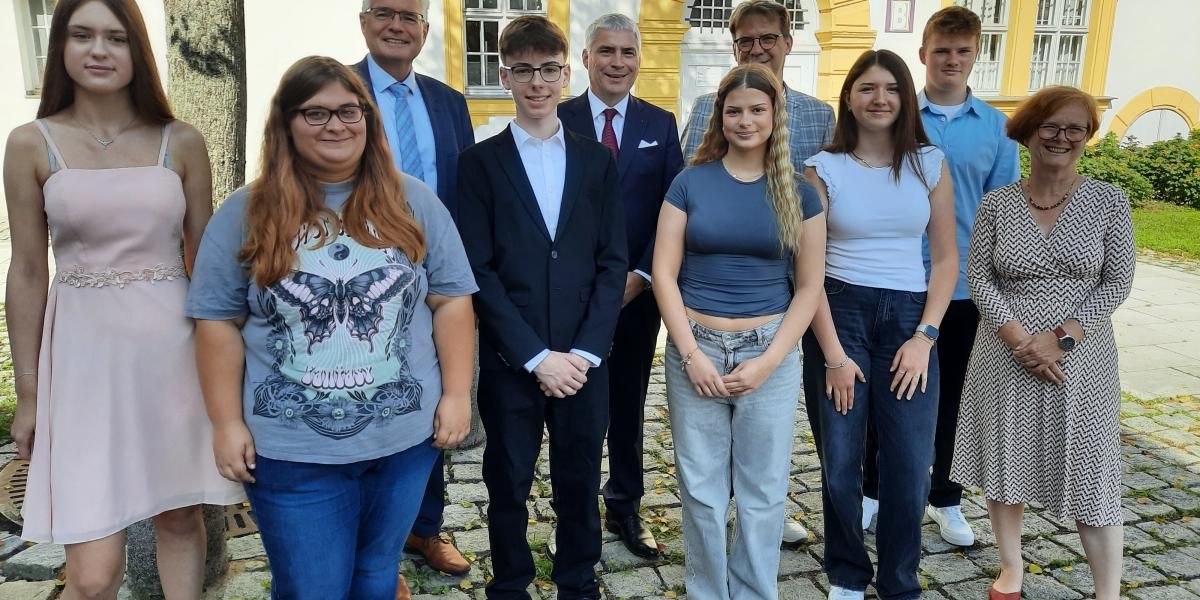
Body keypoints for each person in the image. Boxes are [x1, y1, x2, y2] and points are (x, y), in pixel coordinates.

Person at [186, 56, 477, 600]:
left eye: (348, 111)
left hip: (403, 443)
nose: (336, 125)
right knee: (312, 588)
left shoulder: (413, 201)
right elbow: (217, 322)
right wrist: (226, 423)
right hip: (293, 452)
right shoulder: (246, 214)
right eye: (315, 113)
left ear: (367, 118)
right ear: (286, 124)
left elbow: (451, 300)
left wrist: (458, 395)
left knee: (376, 577)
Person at [3, 0, 244, 597]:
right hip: (82, 361)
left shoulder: (180, 141)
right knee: (93, 573)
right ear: (60, 47)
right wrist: (29, 393)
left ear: (137, 49)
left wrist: (229, 369)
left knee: (180, 516)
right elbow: (28, 271)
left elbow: (206, 265)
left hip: (173, 354)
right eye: (82, 35)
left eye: (115, 37)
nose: (99, 50)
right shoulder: (30, 143)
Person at [457, 15, 626, 600]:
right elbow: (477, 269)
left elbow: (612, 262)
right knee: (507, 480)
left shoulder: (596, 161)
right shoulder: (479, 163)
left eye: (548, 70)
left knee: (579, 480)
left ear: (566, 73)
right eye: (524, 71)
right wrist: (533, 355)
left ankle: (578, 582)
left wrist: (585, 351)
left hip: (583, 360)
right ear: (504, 76)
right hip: (513, 359)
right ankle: (510, 584)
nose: (537, 82)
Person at [951, 86, 1134, 600]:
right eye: (1050, 126)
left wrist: (1061, 338)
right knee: (1006, 461)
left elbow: (1117, 281)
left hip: (1083, 359)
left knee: (1092, 473)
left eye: (1075, 128)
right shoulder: (997, 203)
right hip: (1003, 354)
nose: (1061, 137)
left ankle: (1108, 592)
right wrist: (1018, 340)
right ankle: (1011, 567)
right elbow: (979, 276)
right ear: (1028, 133)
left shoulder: (1109, 201)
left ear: (1088, 136)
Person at [653, 63, 826, 600]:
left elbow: (809, 287)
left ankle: (753, 592)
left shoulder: (799, 192)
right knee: (701, 490)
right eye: (734, 111)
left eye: (757, 110)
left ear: (775, 116)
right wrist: (690, 354)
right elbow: (663, 273)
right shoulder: (689, 182)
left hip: (768, 350)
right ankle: (707, 592)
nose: (745, 121)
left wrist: (768, 362)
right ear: (719, 116)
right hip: (697, 348)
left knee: (764, 491)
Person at [859, 5, 1020, 545]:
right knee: (888, 389)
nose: (952, 59)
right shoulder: (899, 115)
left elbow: (1003, 209)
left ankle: (945, 497)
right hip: (899, 278)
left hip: (966, 286)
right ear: (923, 53)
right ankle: (872, 488)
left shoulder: (997, 128)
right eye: (942, 50)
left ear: (976, 55)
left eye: (963, 51)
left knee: (952, 396)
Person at [802, 49, 957, 600]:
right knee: (841, 460)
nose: (879, 98)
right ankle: (847, 573)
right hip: (838, 314)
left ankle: (899, 582)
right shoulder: (823, 168)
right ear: (848, 98)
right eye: (867, 88)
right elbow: (808, 270)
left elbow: (946, 259)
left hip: (910, 321)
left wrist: (925, 336)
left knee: (910, 463)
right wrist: (834, 355)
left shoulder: (929, 163)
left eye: (891, 88)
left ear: (905, 98)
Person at [680, 0, 832, 545]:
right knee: (705, 449)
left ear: (788, 42)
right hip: (714, 298)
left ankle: (761, 514)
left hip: (786, 296)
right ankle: (721, 514)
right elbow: (692, 189)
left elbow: (824, 199)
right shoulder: (707, 108)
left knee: (767, 434)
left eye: (768, 38)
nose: (757, 48)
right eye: (746, 40)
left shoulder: (818, 115)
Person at [353, 0, 476, 583]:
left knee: (430, 399)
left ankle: (423, 528)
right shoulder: (337, 89)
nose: (397, 26)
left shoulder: (449, 102)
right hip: (356, 281)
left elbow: (464, 194)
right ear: (363, 21)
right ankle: (371, 545)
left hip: (434, 282)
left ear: (426, 29)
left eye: (410, 16)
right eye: (385, 12)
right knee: (362, 403)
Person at [557, 12, 685, 560]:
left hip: (636, 294)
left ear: (638, 59)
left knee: (629, 404)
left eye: (627, 52)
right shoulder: (557, 118)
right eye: (605, 51)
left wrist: (643, 274)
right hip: (570, 297)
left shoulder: (661, 123)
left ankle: (625, 506)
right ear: (586, 58)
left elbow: (673, 208)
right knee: (575, 409)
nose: (617, 62)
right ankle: (575, 512)